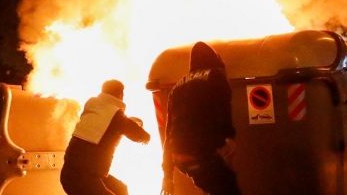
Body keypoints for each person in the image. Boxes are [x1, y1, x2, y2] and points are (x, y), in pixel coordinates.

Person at [161, 42, 240, 195]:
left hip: (179, 156)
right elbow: (222, 110)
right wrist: (228, 139)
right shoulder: (215, 76)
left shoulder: (177, 87)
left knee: (217, 184)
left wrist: (167, 175)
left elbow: (169, 130)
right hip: (201, 153)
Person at [61, 80, 150, 195]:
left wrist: (127, 121)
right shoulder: (114, 114)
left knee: (120, 189)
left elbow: (110, 124)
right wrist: (147, 137)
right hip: (84, 178)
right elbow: (138, 135)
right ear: (120, 94)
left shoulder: (93, 106)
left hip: (74, 175)